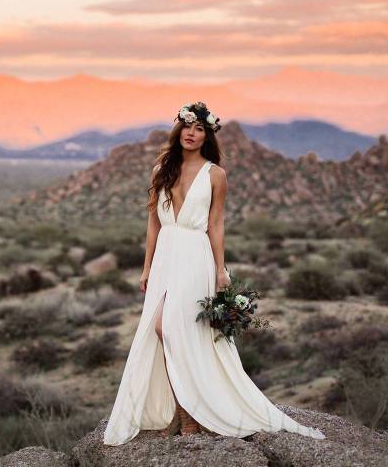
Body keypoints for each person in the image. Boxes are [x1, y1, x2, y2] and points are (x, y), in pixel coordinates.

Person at [103, 102, 326, 445]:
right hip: (165, 254)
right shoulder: (160, 168)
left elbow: (216, 224)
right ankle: (180, 412)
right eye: (187, 128)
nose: (192, 134)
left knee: (172, 329)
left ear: (207, 135)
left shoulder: (215, 175)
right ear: (178, 131)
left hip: (195, 255)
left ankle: (190, 415)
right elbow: (152, 222)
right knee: (161, 330)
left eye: (200, 130)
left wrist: (221, 269)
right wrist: (147, 266)